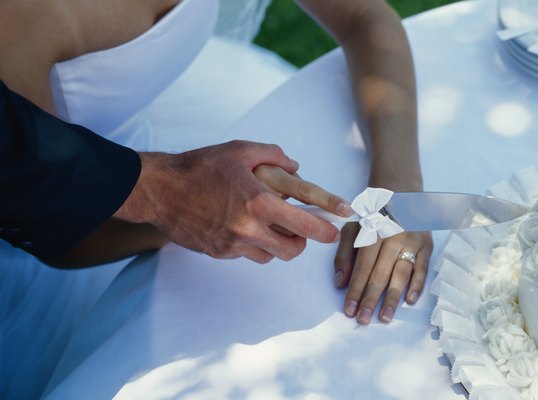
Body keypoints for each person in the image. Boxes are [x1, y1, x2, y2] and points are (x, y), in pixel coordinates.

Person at [0, 0, 431, 397]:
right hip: (74, 227)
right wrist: (188, 212)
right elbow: (49, 210)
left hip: (157, 125)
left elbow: (365, 16)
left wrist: (399, 186)